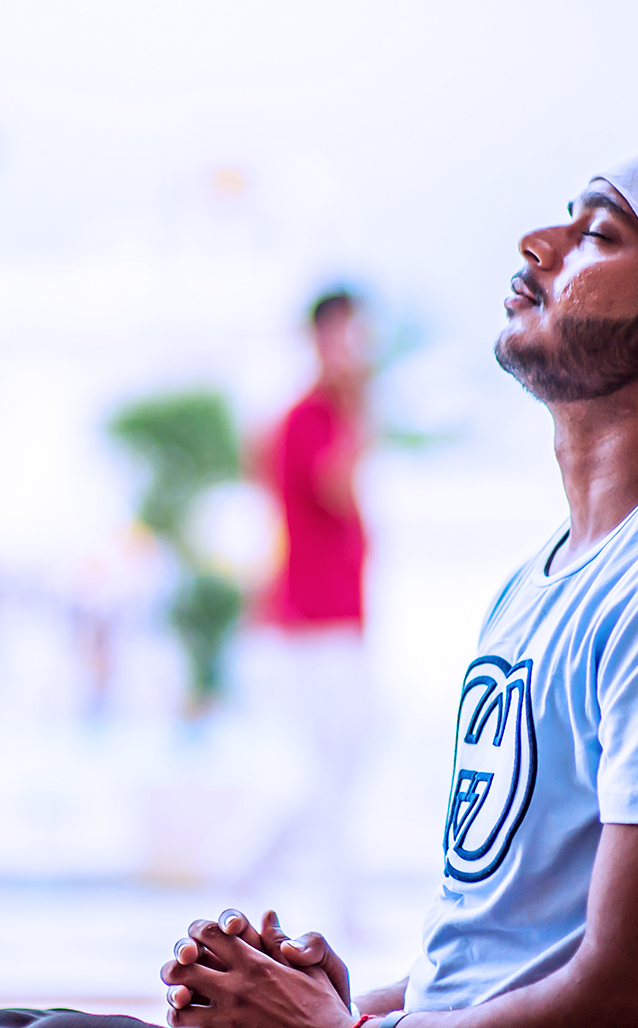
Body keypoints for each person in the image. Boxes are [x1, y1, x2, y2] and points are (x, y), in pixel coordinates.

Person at [0, 148, 638, 1028]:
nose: (538, 243)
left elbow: (629, 1000)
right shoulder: (553, 575)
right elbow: (502, 953)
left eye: (598, 236)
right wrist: (329, 1003)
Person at [240, 289, 371, 900]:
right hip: (312, 621)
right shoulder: (307, 419)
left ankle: (250, 879)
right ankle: (255, 879)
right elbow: (335, 488)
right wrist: (360, 410)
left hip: (336, 617)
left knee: (336, 770)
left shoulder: (328, 415)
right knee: (324, 775)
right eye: (346, 335)